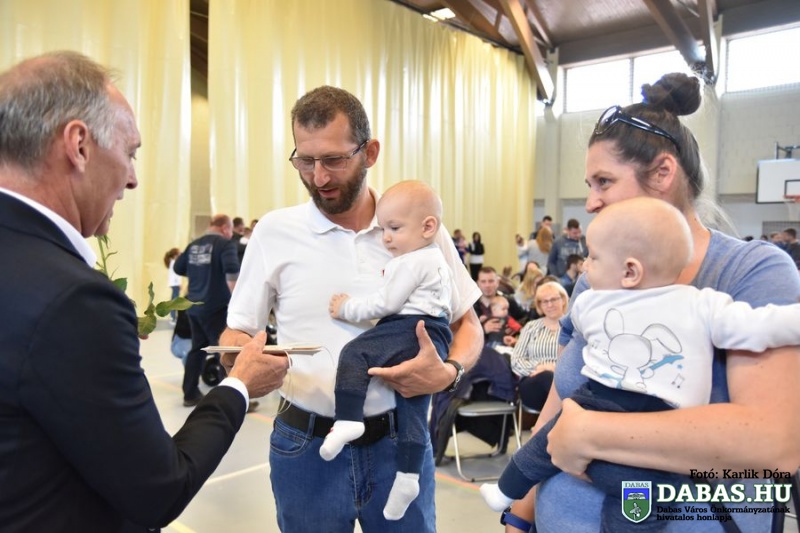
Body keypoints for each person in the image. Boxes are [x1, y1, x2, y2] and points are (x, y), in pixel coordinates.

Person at [0, 50, 288, 531]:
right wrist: (240, 384)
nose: (132, 180)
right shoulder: (74, 301)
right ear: (79, 145)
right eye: (130, 153)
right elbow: (159, 489)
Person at [504, 73, 800, 533]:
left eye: (604, 181)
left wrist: (589, 434)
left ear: (663, 173)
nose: (591, 201)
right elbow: (563, 398)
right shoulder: (600, 276)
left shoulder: (748, 271)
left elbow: (771, 444)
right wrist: (520, 514)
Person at [218, 85, 483, 532]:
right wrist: (240, 362)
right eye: (305, 161)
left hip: (399, 443)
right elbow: (237, 331)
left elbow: (468, 326)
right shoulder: (275, 232)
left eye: (334, 160)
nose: (319, 177)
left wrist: (449, 372)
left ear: (370, 152)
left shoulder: (417, 229)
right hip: (307, 448)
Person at [483, 196, 800, 530]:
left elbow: (759, 325)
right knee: (544, 448)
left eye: (594, 258)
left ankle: (515, 493)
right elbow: (759, 324)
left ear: (630, 270)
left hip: (644, 418)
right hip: (595, 401)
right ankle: (505, 491)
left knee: (634, 496)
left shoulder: (700, 305)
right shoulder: (594, 301)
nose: (585, 266)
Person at [323, 180, 458, 520]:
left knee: (355, 354)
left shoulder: (411, 261)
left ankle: (348, 420)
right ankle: (408, 476)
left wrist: (346, 307)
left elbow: (387, 302)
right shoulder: (438, 261)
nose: (386, 238)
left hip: (409, 328)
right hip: (436, 333)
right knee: (412, 408)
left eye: (395, 229)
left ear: (428, 227)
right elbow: (452, 305)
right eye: (383, 229)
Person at [174, 214, 252, 409]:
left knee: (198, 349)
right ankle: (231, 400)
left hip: (194, 307)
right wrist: (237, 300)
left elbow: (178, 267)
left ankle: (190, 393)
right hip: (216, 307)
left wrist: (199, 272)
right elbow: (232, 270)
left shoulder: (194, 245)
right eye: (231, 230)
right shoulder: (225, 244)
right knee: (224, 353)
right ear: (225, 228)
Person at [510, 281, 568, 418]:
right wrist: (541, 368)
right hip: (533, 382)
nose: (550, 305)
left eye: (554, 299)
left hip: (564, 380)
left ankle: (555, 425)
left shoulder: (573, 327)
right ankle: (568, 422)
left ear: (563, 300)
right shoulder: (530, 327)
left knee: (557, 381)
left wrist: (555, 369)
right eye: (544, 301)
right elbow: (516, 360)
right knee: (547, 377)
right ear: (539, 305)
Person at [164, 247, 181, 323]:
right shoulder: (174, 263)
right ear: (175, 255)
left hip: (174, 284)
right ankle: (173, 318)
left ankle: (173, 317)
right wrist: (179, 284)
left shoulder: (172, 262)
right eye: (179, 254)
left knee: (174, 300)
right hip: (175, 284)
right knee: (175, 301)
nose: (180, 255)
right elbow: (176, 275)